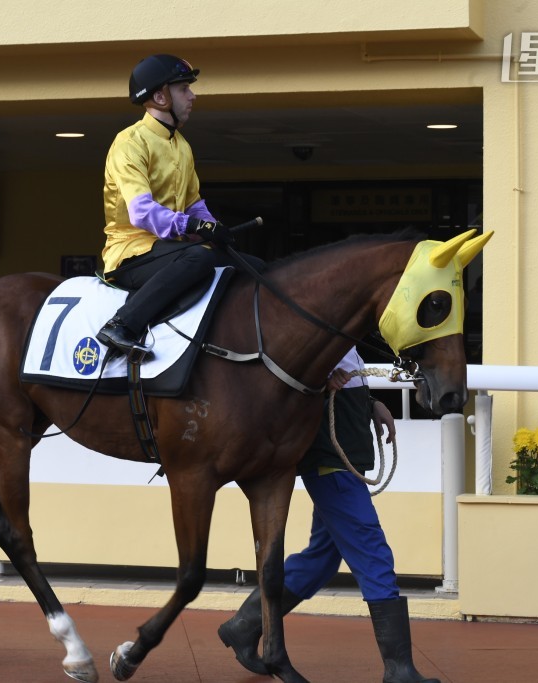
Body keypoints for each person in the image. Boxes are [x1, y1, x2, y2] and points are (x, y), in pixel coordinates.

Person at [218, 347, 439, 683]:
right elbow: (288, 371)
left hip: (339, 454)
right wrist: (320, 379)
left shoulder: (337, 327)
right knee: (373, 552)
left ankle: (244, 625)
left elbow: (345, 375)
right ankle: (399, 670)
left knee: (320, 559)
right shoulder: (312, 319)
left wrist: (372, 404)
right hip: (330, 459)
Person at [96, 53, 264, 356]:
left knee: (254, 267)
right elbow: (142, 212)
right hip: (131, 254)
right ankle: (121, 325)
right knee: (198, 258)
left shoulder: (182, 146)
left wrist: (212, 227)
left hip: (171, 250)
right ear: (160, 96)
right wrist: (194, 227)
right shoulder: (130, 142)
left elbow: (193, 203)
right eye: (184, 89)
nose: (193, 95)